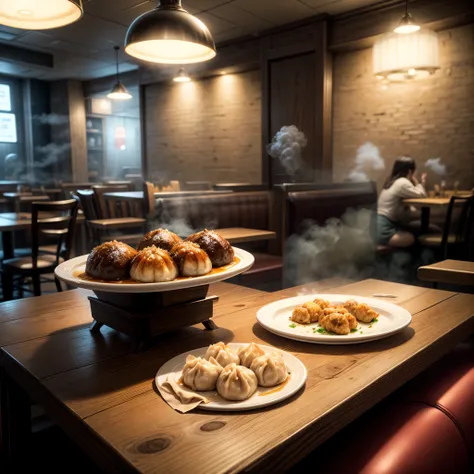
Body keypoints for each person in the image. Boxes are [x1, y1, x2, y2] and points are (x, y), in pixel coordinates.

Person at [377, 156, 427, 247]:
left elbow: (411, 210)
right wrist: (418, 181)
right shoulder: (402, 182)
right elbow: (422, 195)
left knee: (420, 231)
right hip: (384, 228)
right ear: (410, 171)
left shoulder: (392, 181)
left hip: (380, 224)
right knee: (412, 238)